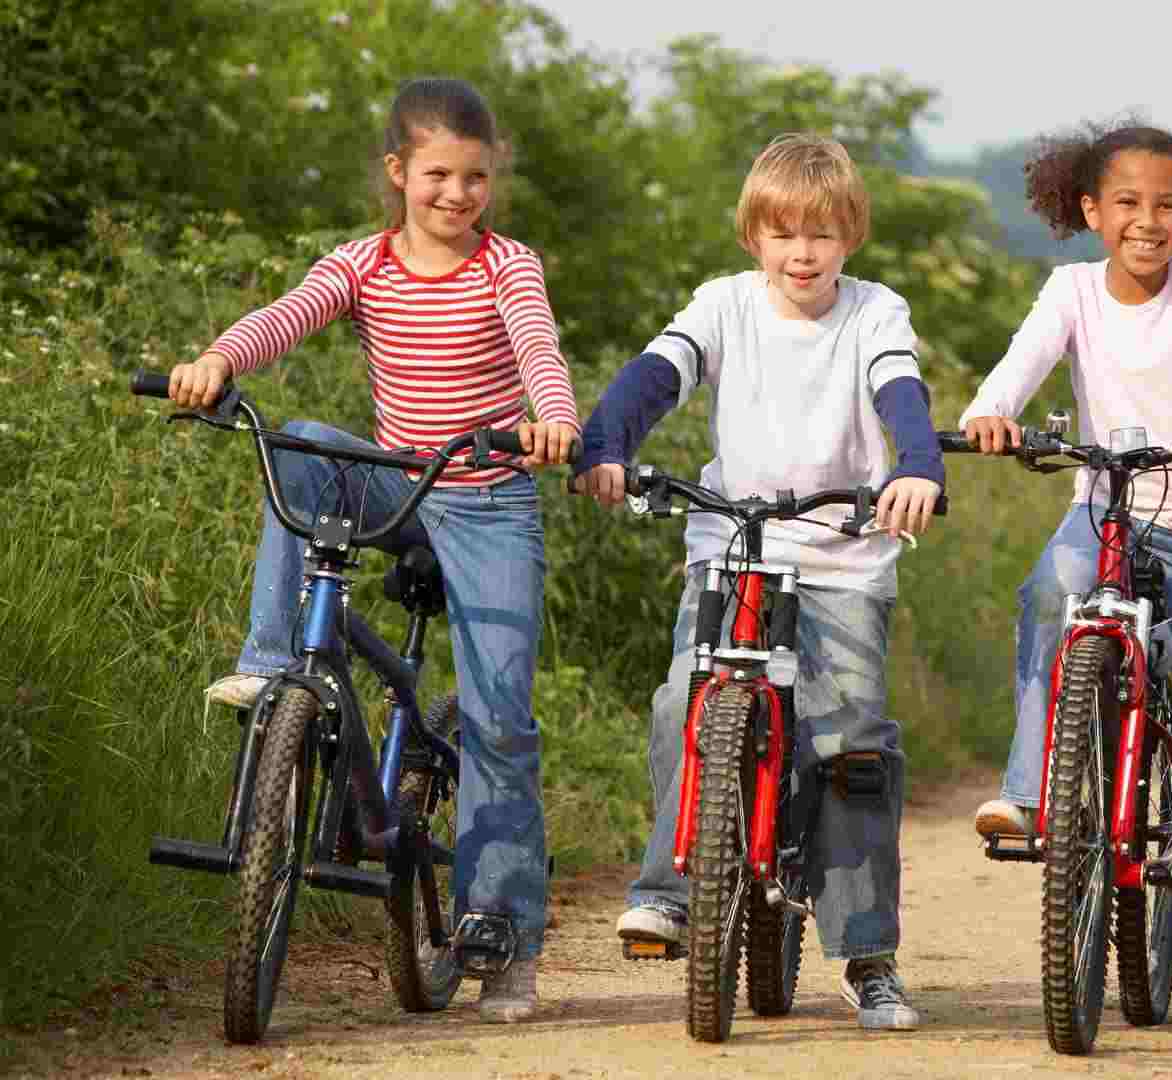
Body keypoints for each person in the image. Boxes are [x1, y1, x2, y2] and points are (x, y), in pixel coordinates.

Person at [166, 77, 580, 1024]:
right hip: (398, 483)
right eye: (437, 174)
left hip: (485, 496)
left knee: (500, 717)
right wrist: (221, 361)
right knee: (302, 440)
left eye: (475, 178)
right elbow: (289, 313)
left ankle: (501, 931)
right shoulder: (363, 263)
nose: (456, 194)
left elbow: (539, 349)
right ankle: (276, 663)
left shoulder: (507, 264)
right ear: (399, 173)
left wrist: (552, 420)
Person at [957, 121, 1172, 1053]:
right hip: (1105, 515)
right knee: (1050, 590)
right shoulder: (1071, 290)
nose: (1147, 223)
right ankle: (1036, 789)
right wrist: (992, 412)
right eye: (1127, 204)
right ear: (1090, 211)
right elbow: (1018, 366)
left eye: (1167, 206)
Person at [574, 133, 944, 1032]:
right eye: (784, 234)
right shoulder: (723, 306)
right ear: (754, 237)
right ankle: (668, 890)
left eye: (821, 234)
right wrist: (605, 443)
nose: (802, 253)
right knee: (680, 703)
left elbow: (901, 395)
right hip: (733, 550)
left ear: (849, 236)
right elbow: (656, 377)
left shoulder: (874, 314)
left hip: (843, 555)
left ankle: (865, 952)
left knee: (852, 742)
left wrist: (919, 465)